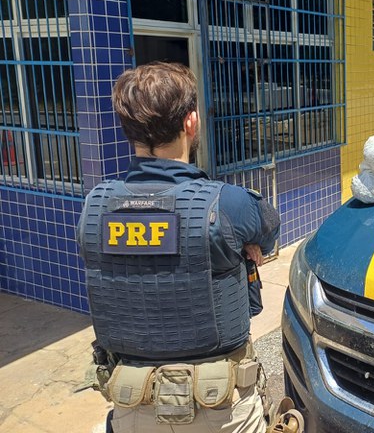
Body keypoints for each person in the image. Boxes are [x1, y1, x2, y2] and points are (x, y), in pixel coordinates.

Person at [76, 62, 302, 433]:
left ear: (127, 131)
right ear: (191, 122)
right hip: (223, 411)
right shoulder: (228, 204)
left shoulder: (96, 208)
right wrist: (240, 245)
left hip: (132, 408)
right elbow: (268, 232)